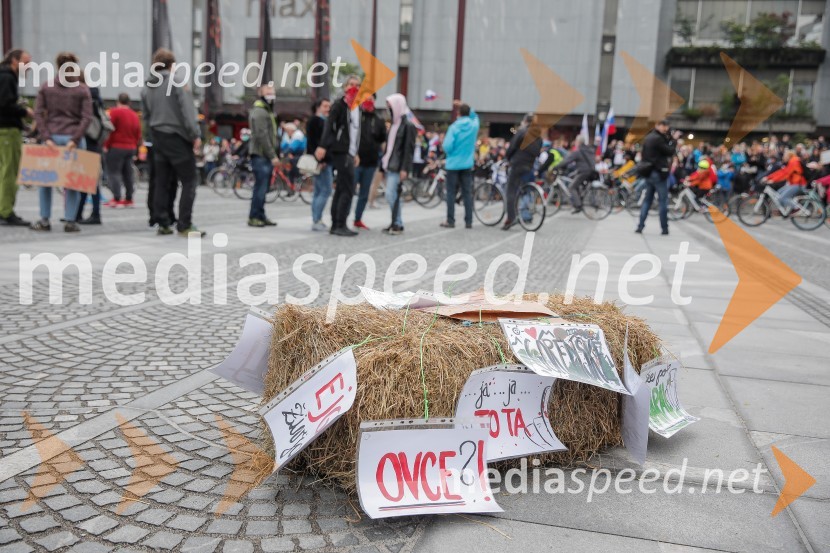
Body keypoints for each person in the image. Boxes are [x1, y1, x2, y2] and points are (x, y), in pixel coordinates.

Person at [142, 48, 204, 237]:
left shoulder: (146, 87)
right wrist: (195, 135)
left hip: (157, 137)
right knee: (189, 180)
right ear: (172, 64)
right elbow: (187, 111)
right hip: (177, 136)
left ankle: (163, 222)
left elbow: (146, 116)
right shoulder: (177, 82)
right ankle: (185, 224)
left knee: (162, 181)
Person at [31, 52, 92, 232]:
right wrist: (75, 139)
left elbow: (38, 113)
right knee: (73, 183)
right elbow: (86, 117)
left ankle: (44, 220)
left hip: (52, 137)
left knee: (45, 182)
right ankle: (70, 220)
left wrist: (46, 137)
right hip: (73, 139)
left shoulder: (46, 87)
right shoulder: (82, 89)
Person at [316, 75, 361, 237]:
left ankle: (337, 223)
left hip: (350, 151)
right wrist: (322, 145)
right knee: (347, 188)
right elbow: (329, 125)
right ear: (345, 87)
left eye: (357, 85)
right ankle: (340, 223)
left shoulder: (357, 107)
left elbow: (356, 132)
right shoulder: (340, 105)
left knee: (342, 187)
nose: (354, 88)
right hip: (340, 150)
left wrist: (356, 152)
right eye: (351, 85)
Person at [0, 48, 32, 227]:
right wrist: (24, 111)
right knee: (9, 172)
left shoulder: (5, 75)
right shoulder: (7, 77)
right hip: (7, 130)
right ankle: (6, 211)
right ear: (14, 60)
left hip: (4, 130)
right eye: (25, 62)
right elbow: (4, 104)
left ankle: (3, 209)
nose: (28, 66)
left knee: (4, 171)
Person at [380, 93, 416, 235]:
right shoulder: (394, 125)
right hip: (390, 164)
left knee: (391, 194)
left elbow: (409, 149)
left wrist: (405, 168)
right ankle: (395, 221)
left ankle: (397, 223)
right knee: (392, 195)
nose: (389, 110)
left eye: (391, 107)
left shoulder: (408, 125)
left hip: (398, 166)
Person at [636, 120, 680, 235]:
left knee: (647, 200)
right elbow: (669, 151)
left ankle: (640, 226)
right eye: (665, 127)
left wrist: (669, 137)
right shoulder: (658, 139)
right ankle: (664, 228)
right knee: (663, 201)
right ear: (659, 126)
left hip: (649, 172)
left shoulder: (650, 137)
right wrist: (674, 140)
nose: (666, 129)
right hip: (659, 173)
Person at [441, 99, 479, 229]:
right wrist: (464, 105)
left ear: (458, 113)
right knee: (467, 193)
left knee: (451, 193)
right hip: (467, 164)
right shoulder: (473, 126)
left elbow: (447, 146)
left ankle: (450, 220)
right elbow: (476, 117)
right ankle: (469, 221)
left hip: (453, 164)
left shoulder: (454, 127)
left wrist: (451, 153)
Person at [102, 93, 141, 211]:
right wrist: (135, 145)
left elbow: (110, 130)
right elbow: (138, 133)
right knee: (128, 173)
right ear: (129, 102)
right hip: (130, 147)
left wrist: (106, 145)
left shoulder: (114, 112)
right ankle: (129, 198)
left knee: (114, 172)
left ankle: (117, 198)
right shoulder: (134, 115)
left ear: (118, 101)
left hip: (116, 147)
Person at [502, 113, 542, 229]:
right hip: (529, 166)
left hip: (517, 164)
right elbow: (538, 153)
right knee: (525, 190)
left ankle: (511, 218)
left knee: (510, 191)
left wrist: (508, 158)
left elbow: (512, 147)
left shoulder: (522, 132)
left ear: (525, 121)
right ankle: (526, 214)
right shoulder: (538, 137)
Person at [247, 82, 279, 227]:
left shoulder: (267, 110)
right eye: (268, 90)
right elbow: (262, 135)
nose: (271, 92)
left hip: (264, 155)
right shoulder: (260, 111)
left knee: (263, 187)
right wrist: (272, 155)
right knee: (260, 187)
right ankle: (254, 216)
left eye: (273, 90)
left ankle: (260, 214)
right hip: (261, 155)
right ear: (260, 93)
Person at [353, 95, 387, 230]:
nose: (369, 101)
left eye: (371, 99)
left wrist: (384, 159)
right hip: (355, 161)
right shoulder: (355, 116)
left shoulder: (378, 120)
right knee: (349, 191)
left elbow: (382, 140)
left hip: (371, 162)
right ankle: (341, 219)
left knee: (364, 193)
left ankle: (357, 219)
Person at [306, 98, 332, 231]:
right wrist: (320, 160)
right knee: (325, 190)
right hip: (321, 161)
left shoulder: (323, 121)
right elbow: (313, 143)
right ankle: (317, 219)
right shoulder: (315, 121)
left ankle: (316, 218)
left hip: (323, 160)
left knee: (318, 191)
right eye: (325, 106)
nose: (328, 108)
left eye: (329, 106)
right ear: (318, 107)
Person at [560, 135, 596, 214]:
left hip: (583, 171)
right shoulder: (588, 150)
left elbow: (567, 161)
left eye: (576, 141)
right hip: (590, 171)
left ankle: (578, 205)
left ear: (578, 142)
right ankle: (578, 198)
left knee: (571, 187)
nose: (575, 142)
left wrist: (556, 167)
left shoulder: (578, 151)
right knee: (572, 178)